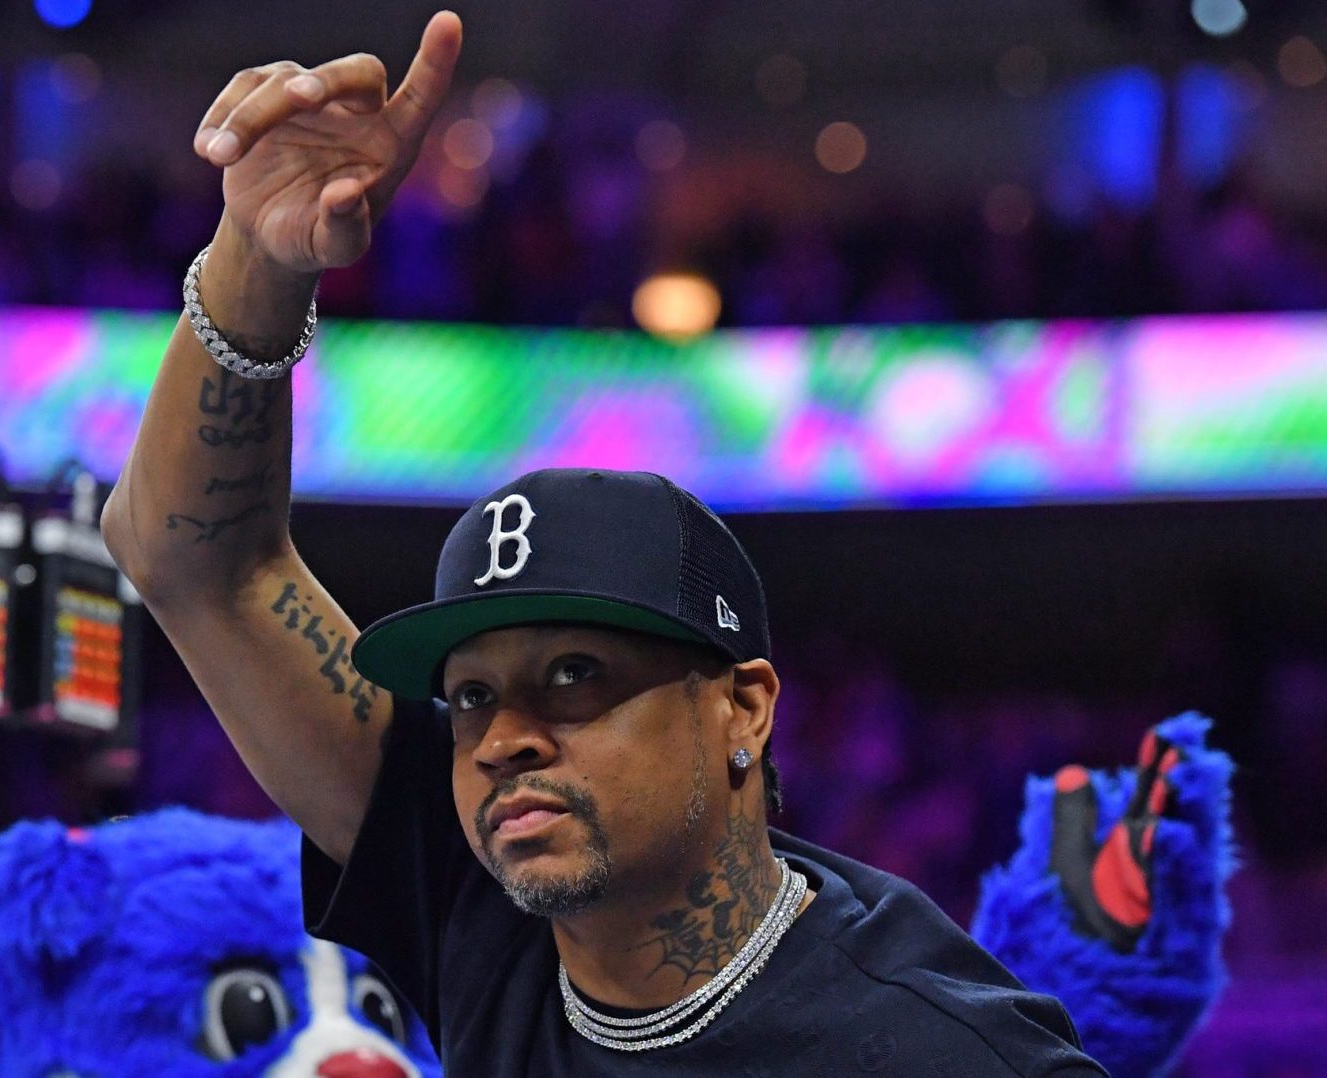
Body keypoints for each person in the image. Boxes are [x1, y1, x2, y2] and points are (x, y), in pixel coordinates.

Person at [99, 11, 1105, 1073]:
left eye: (574, 676)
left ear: (743, 708)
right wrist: (255, 264)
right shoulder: (480, 887)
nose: (502, 739)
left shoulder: (939, 1051)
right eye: (474, 695)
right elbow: (196, 562)